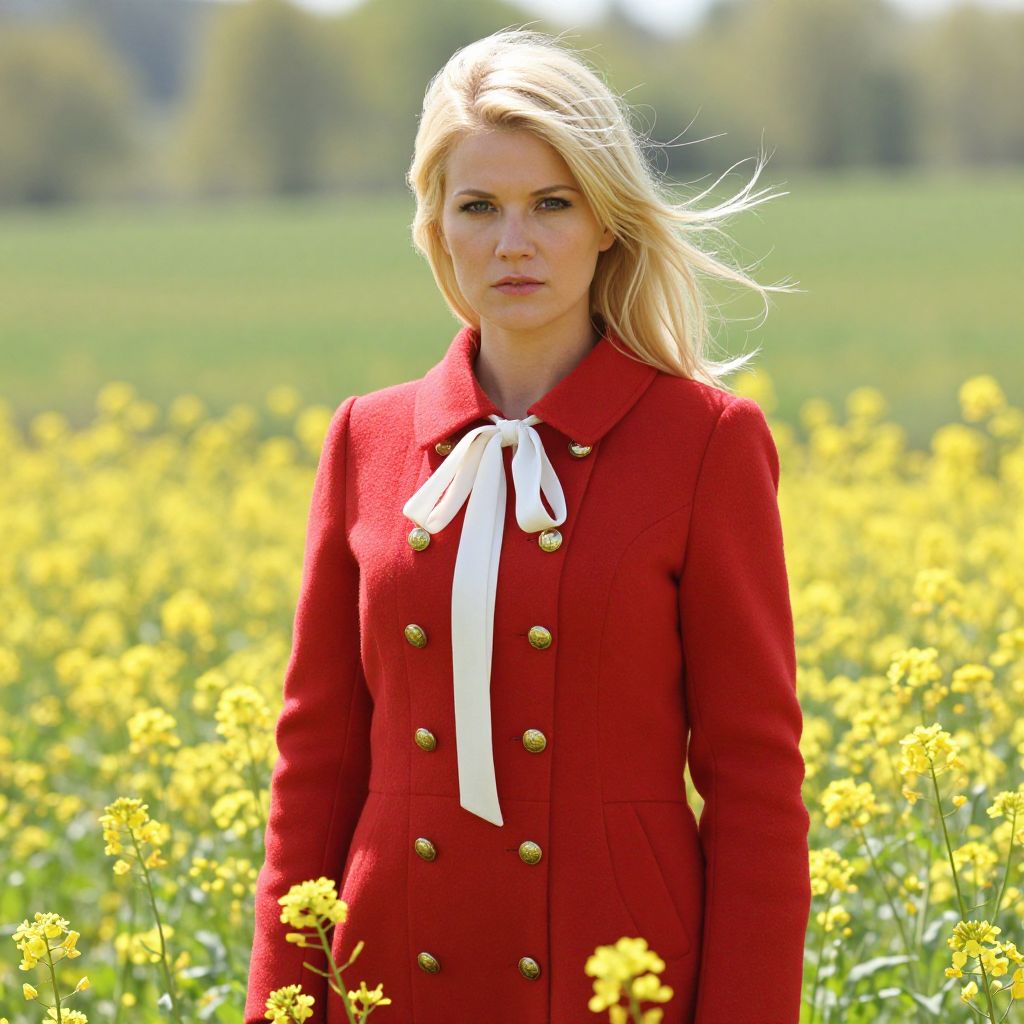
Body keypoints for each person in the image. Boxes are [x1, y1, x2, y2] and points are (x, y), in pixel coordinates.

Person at [245, 25, 811, 1024]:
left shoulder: (706, 443)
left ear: (606, 222)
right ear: (435, 228)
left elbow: (754, 786)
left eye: (553, 203)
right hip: (387, 980)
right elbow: (315, 775)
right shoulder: (365, 439)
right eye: (479, 207)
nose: (515, 242)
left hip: (616, 981)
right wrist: (280, 1008)